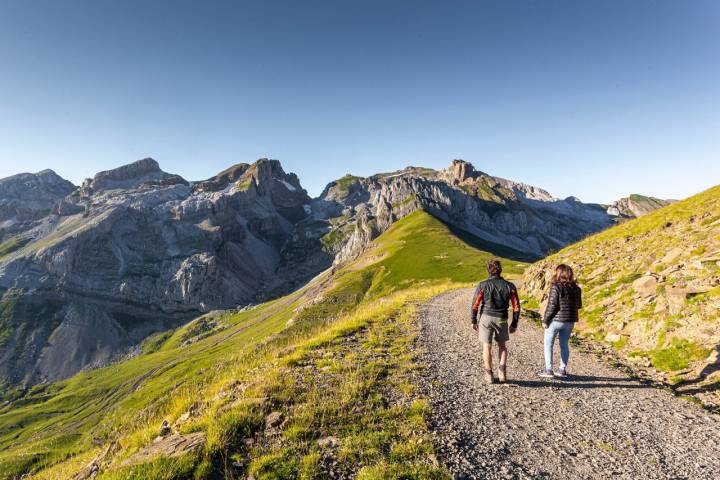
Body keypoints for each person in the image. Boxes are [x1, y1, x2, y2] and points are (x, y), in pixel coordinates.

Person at [470, 259, 521, 384]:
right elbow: (516, 307)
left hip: (486, 318)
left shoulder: (483, 285)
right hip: (502, 319)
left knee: (487, 346)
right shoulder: (510, 286)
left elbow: (475, 304)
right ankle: (502, 372)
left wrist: (473, 320)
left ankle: (489, 375)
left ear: (489, 270)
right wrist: (514, 323)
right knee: (502, 346)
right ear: (500, 270)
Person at [538, 264, 582, 379]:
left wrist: (545, 320)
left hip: (556, 321)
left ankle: (549, 370)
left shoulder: (556, 287)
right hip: (570, 321)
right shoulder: (577, 289)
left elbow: (552, 305)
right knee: (564, 345)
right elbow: (579, 306)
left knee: (548, 344)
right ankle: (562, 370)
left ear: (559, 273)